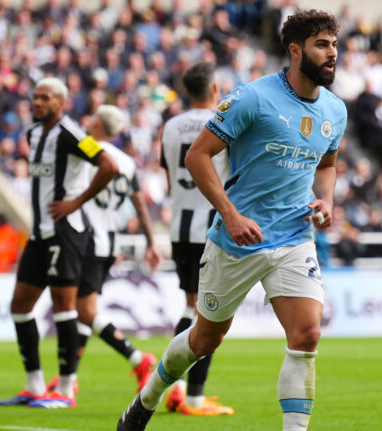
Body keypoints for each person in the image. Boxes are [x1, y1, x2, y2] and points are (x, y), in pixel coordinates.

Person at [117, 10, 346, 430]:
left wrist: (326, 199)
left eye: (334, 44)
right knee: (205, 340)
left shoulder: (335, 109)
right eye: (321, 45)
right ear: (295, 51)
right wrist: (231, 214)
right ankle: (146, 400)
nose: (332, 53)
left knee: (307, 335)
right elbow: (196, 156)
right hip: (237, 240)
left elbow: (328, 164)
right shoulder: (252, 98)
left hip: (295, 236)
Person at [0, 77, 118, 408]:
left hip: (67, 232)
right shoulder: (33, 134)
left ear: (60, 103)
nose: (37, 103)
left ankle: (65, 389)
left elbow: (110, 166)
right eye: (34, 97)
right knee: (20, 305)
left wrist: (75, 202)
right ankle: (34, 384)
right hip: (38, 234)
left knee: (64, 307)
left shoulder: (73, 133)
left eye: (44, 98)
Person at [45, 105, 161, 395]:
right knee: (86, 311)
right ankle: (68, 377)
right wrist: (150, 242)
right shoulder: (128, 162)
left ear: (96, 123)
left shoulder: (88, 154)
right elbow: (140, 206)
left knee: (82, 311)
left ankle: (137, 358)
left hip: (86, 240)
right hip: (109, 243)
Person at [159, 62, 233, 416]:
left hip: (179, 226)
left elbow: (172, 178)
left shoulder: (170, 126)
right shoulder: (223, 121)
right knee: (209, 312)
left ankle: (178, 389)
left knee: (192, 308)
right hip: (212, 227)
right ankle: (192, 397)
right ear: (215, 88)